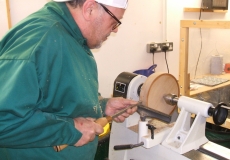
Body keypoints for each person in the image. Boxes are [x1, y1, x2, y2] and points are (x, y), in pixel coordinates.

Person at [0, 0, 137, 159]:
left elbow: (56, 99)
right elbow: (4, 120)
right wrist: (70, 130)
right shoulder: (41, 39)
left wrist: (102, 105)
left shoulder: (73, 37)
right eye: (114, 21)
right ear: (90, 8)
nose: (116, 30)